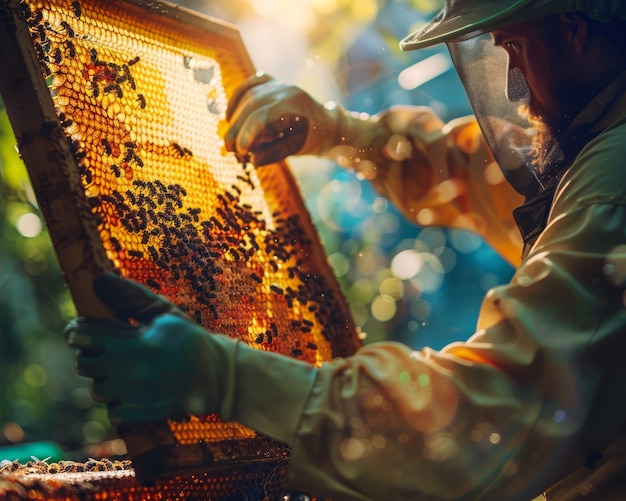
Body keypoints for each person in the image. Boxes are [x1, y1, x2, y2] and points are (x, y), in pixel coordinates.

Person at [66, 0, 626, 499]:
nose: (510, 85)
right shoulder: (593, 140)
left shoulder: (612, 185)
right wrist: (339, 131)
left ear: (575, 28)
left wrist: (229, 377)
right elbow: (471, 168)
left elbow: (496, 413)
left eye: (516, 48)